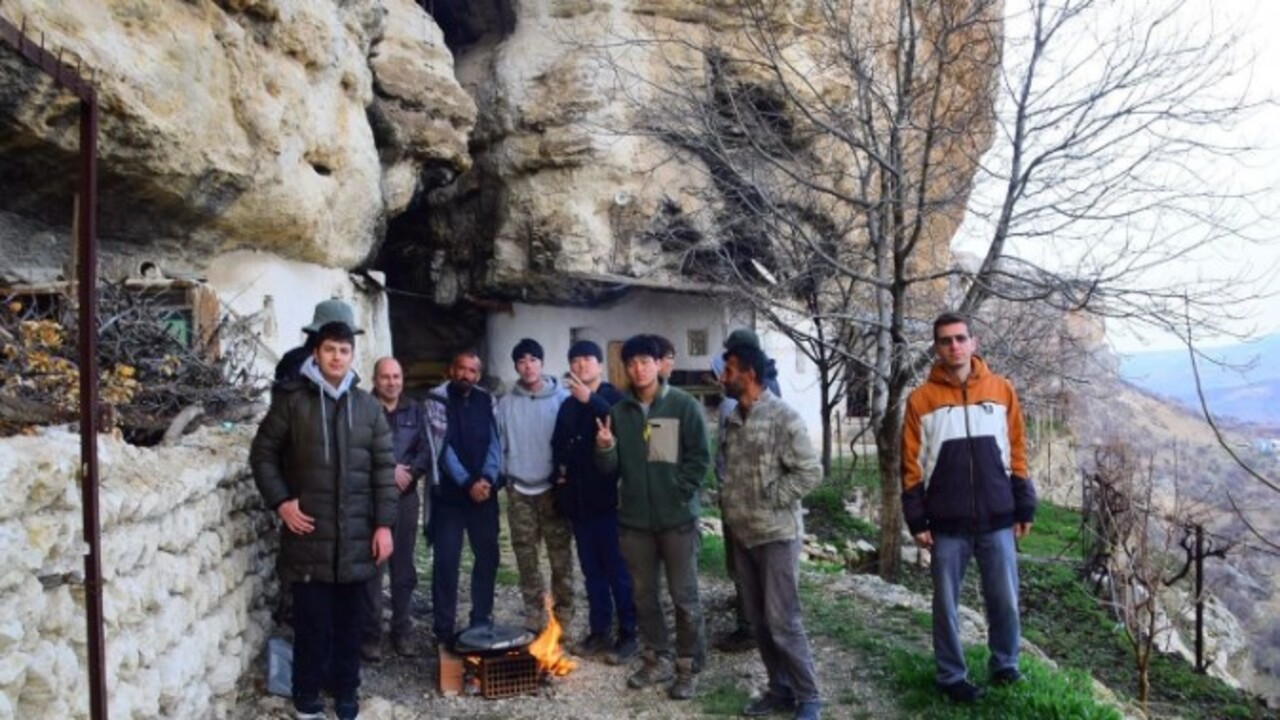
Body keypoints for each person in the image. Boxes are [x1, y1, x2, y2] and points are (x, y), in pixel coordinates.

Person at [250, 320, 396, 720]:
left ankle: (347, 692)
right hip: (309, 536)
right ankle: (307, 697)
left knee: (351, 624)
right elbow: (262, 454)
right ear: (317, 353)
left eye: (344, 351)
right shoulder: (292, 402)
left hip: (357, 537)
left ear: (352, 356)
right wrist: (281, 502)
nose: (336, 357)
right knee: (312, 625)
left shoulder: (367, 407)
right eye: (329, 349)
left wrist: (384, 525)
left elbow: (384, 470)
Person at [901, 312, 1037, 704]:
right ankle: (951, 676)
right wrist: (916, 518)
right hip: (947, 522)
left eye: (961, 338)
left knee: (1005, 600)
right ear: (936, 348)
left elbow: (1017, 450)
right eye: (946, 340)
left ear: (973, 343)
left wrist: (1024, 505)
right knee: (945, 605)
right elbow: (910, 466)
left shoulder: (1001, 390)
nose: (954, 346)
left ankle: (1005, 665)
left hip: (997, 517)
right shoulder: (920, 400)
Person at [595, 334, 710, 700]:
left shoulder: (682, 405)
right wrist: (605, 448)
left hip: (677, 521)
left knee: (684, 597)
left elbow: (700, 458)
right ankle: (657, 658)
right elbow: (610, 469)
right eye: (631, 363)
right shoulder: (620, 413)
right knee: (644, 597)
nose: (638, 369)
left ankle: (688, 666)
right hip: (635, 524)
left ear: (659, 364)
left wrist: (679, 491)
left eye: (645, 361)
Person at [718, 344, 823, 720]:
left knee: (783, 621)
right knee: (759, 621)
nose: (723, 377)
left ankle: (809, 697)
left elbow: (810, 472)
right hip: (742, 535)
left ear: (749, 374)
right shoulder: (733, 418)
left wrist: (772, 497)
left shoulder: (783, 416)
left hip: (777, 536)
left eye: (729, 370)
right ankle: (779, 690)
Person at [551, 340, 637, 661]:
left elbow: (625, 429)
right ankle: (599, 630)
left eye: (587, 359)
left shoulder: (615, 399)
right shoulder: (567, 405)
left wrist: (592, 400)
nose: (581, 365)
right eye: (575, 360)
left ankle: (629, 633)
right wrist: (560, 477)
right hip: (580, 504)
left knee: (619, 571)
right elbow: (558, 444)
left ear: (600, 365)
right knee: (592, 572)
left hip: (612, 504)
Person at [495, 338, 574, 632]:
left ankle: (564, 618)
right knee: (526, 557)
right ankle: (534, 614)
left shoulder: (562, 400)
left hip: (553, 490)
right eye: (522, 361)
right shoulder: (506, 404)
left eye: (533, 360)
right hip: (519, 491)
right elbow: (500, 444)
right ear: (516, 366)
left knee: (560, 557)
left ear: (542, 363)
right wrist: (505, 476)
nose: (528, 366)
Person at [362, 357, 435, 662]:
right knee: (372, 568)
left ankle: (402, 631)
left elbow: (426, 449)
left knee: (403, 569)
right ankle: (370, 635)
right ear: (375, 380)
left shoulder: (415, 410)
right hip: (371, 498)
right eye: (385, 377)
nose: (392, 383)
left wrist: (411, 473)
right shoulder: (363, 409)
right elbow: (356, 451)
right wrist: (388, 471)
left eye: (396, 377)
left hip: (405, 498)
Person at [715, 327, 781, 653]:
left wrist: (764, 494)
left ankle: (750, 626)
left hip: (747, 498)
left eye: (729, 364)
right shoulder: (762, 385)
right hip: (739, 494)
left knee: (745, 566)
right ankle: (752, 616)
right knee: (744, 566)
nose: (722, 374)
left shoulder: (752, 397)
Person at [430, 351, 503, 644]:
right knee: (446, 561)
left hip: (484, 496)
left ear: (478, 375)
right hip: (450, 497)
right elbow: (441, 448)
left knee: (488, 557)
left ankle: (481, 619)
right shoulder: (437, 400)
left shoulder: (487, 400)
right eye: (461, 369)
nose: (466, 375)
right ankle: (443, 628)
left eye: (472, 371)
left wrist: (487, 478)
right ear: (452, 370)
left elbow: (496, 441)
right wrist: (467, 481)